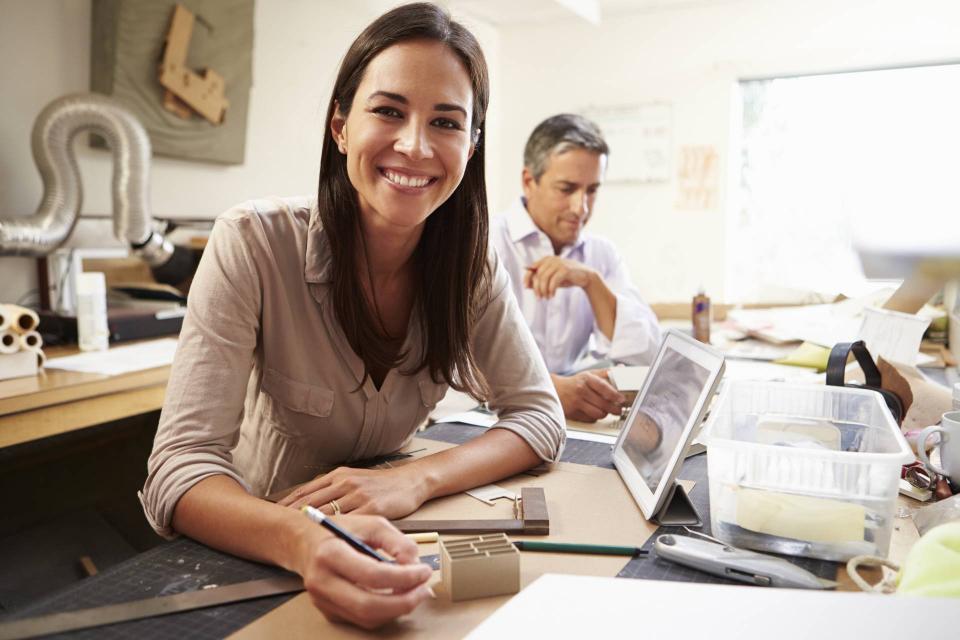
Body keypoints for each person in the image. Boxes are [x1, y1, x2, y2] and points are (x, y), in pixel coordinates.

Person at [140, 3, 564, 630]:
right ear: (340, 125)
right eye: (389, 111)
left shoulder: (470, 268)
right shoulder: (254, 242)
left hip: (395, 539)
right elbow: (178, 469)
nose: (415, 145)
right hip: (254, 560)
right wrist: (302, 541)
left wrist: (415, 480)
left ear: (471, 146)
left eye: (446, 122)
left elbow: (539, 414)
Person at [490, 114, 661, 423]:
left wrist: (590, 281)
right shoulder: (486, 242)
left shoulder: (601, 254)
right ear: (529, 182)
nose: (581, 208)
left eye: (592, 190)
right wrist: (549, 389)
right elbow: (458, 364)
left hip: (566, 420)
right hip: (485, 417)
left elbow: (649, 355)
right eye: (567, 189)